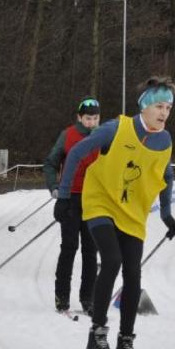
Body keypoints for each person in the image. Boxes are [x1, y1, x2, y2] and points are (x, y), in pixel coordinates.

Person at [55, 77, 175, 349]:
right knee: (111, 261)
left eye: (168, 108)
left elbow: (167, 176)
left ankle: (125, 343)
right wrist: (64, 198)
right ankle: (97, 335)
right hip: (99, 202)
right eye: (158, 106)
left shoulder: (165, 141)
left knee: (134, 276)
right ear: (145, 106)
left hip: (132, 213)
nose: (164, 112)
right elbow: (76, 153)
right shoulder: (117, 128)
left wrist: (166, 215)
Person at [42, 97, 102, 314]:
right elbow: (50, 163)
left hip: (94, 200)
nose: (91, 122)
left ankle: (89, 298)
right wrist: (54, 186)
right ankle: (62, 296)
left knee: (91, 250)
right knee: (69, 247)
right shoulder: (68, 135)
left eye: (95, 118)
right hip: (70, 198)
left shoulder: (102, 136)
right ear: (79, 117)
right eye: (88, 118)